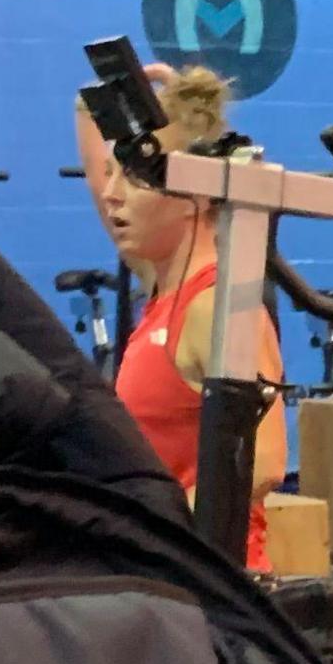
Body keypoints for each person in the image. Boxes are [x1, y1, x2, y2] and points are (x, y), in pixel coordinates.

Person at [72, 61, 283, 560]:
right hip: (164, 568)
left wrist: (148, 534)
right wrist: (93, 105)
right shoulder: (163, 281)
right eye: (114, 176)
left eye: (135, 181)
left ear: (193, 194)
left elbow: (267, 462)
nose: (112, 195)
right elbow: (100, 189)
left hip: (213, 581)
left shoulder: (217, 304)